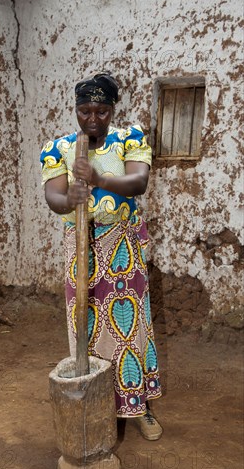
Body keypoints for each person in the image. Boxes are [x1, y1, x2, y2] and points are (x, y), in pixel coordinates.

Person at [40, 73, 162, 441]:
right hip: (81, 251)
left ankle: (139, 407)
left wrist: (96, 178)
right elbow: (53, 197)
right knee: (87, 329)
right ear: (76, 110)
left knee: (130, 328)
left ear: (113, 110)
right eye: (84, 111)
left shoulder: (131, 138)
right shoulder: (58, 147)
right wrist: (68, 201)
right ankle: (98, 404)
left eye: (102, 111)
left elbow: (138, 182)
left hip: (123, 248)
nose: (92, 119)